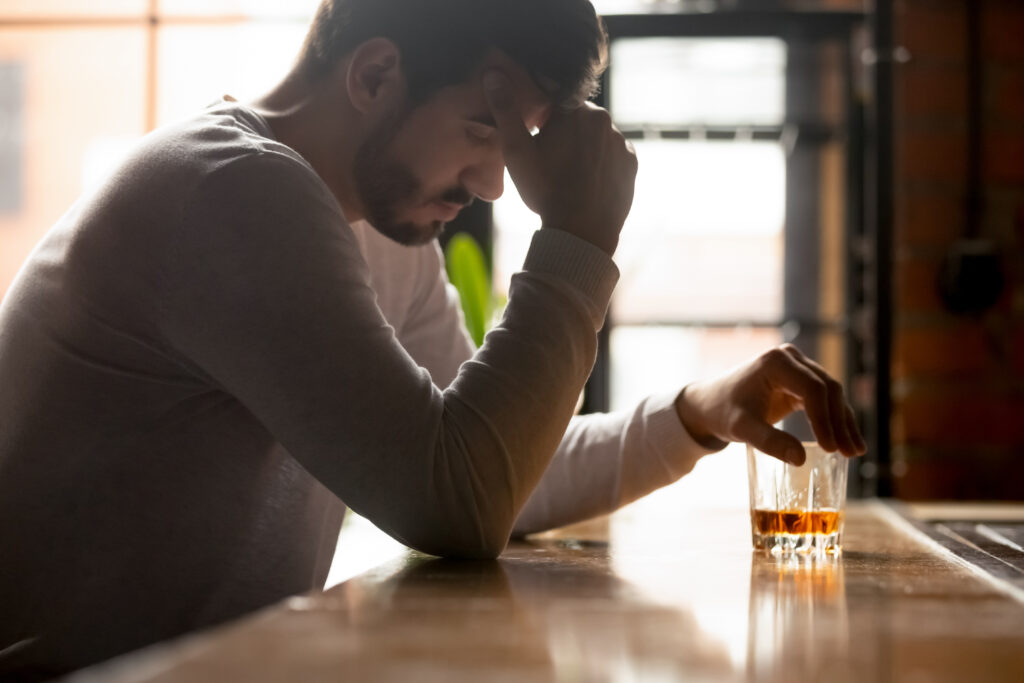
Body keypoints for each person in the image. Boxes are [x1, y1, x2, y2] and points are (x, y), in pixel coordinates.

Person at [0, 0, 865, 678]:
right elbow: (459, 502)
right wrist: (578, 237)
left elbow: (504, 473)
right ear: (375, 73)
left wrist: (695, 413)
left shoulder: (382, 234)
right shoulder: (229, 190)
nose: (492, 184)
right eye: (485, 130)